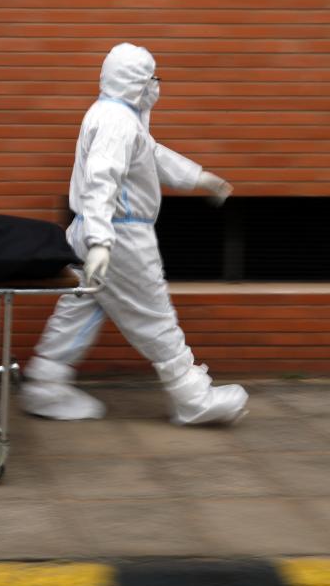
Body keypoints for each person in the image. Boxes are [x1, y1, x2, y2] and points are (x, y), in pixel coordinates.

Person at [21, 42, 248, 425]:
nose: (157, 86)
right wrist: (101, 243)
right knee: (154, 314)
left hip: (96, 230)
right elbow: (101, 180)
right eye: (152, 77)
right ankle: (192, 397)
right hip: (119, 236)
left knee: (82, 307)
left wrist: (198, 178)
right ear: (137, 81)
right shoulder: (117, 122)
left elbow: (151, 154)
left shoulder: (116, 115)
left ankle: (45, 385)